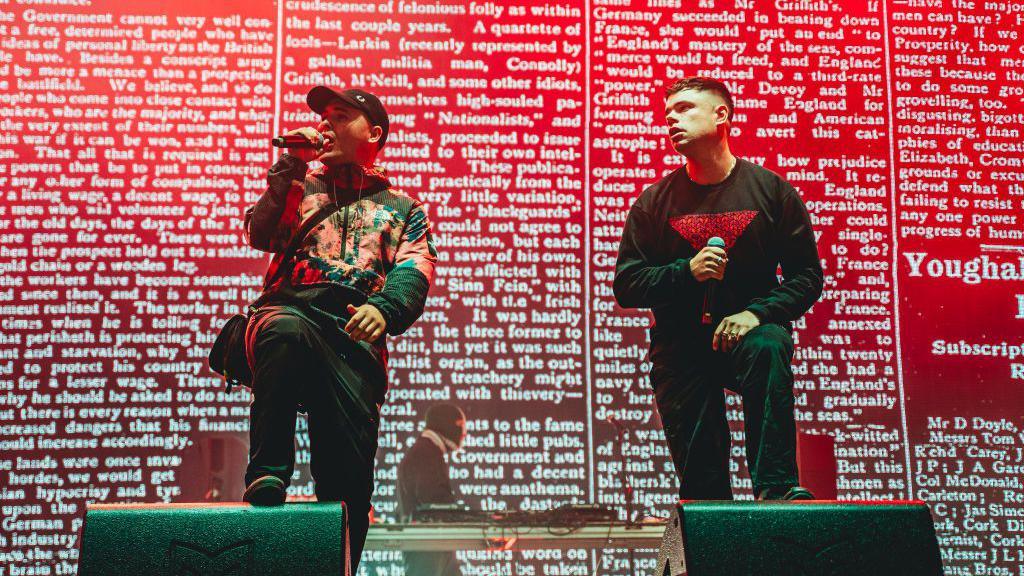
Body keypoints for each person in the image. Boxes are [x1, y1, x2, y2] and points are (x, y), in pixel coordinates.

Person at [241, 86, 437, 570]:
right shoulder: (299, 185)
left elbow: (415, 269)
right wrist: (288, 167)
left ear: (374, 134)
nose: (325, 125)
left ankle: (342, 564)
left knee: (348, 486)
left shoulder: (404, 208)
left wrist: (387, 309)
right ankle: (268, 473)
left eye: (339, 117)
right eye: (322, 118)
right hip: (292, 309)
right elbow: (261, 232)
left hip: (352, 336)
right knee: (283, 330)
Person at [614, 77, 822, 501]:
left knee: (768, 344)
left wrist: (757, 314)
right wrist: (685, 272)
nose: (672, 118)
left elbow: (807, 276)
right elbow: (627, 283)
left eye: (686, 108)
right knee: (705, 492)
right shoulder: (654, 202)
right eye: (668, 111)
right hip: (681, 348)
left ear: (721, 116)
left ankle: (777, 488)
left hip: (747, 332)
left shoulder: (771, 191)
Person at [396, 403, 467, 576]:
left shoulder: (426, 450)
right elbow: (434, 502)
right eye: (461, 427)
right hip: (427, 548)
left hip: (434, 546)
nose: (464, 434)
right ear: (449, 425)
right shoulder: (425, 453)